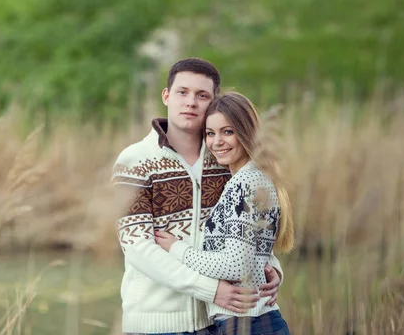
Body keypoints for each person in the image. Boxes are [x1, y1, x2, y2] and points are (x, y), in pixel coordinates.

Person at [112, 58, 285, 335]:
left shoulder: (225, 159)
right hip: (158, 325)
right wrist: (211, 290)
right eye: (182, 92)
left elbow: (245, 228)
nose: (191, 102)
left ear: (214, 102)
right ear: (166, 96)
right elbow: (137, 248)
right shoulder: (134, 161)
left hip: (217, 322)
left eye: (202, 95)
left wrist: (271, 267)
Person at [154, 92, 294, 335]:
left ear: (246, 132)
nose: (217, 141)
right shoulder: (252, 178)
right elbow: (251, 252)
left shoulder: (245, 183)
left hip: (250, 324)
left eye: (228, 132)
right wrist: (273, 268)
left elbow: (236, 266)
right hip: (253, 322)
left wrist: (177, 248)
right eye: (210, 133)